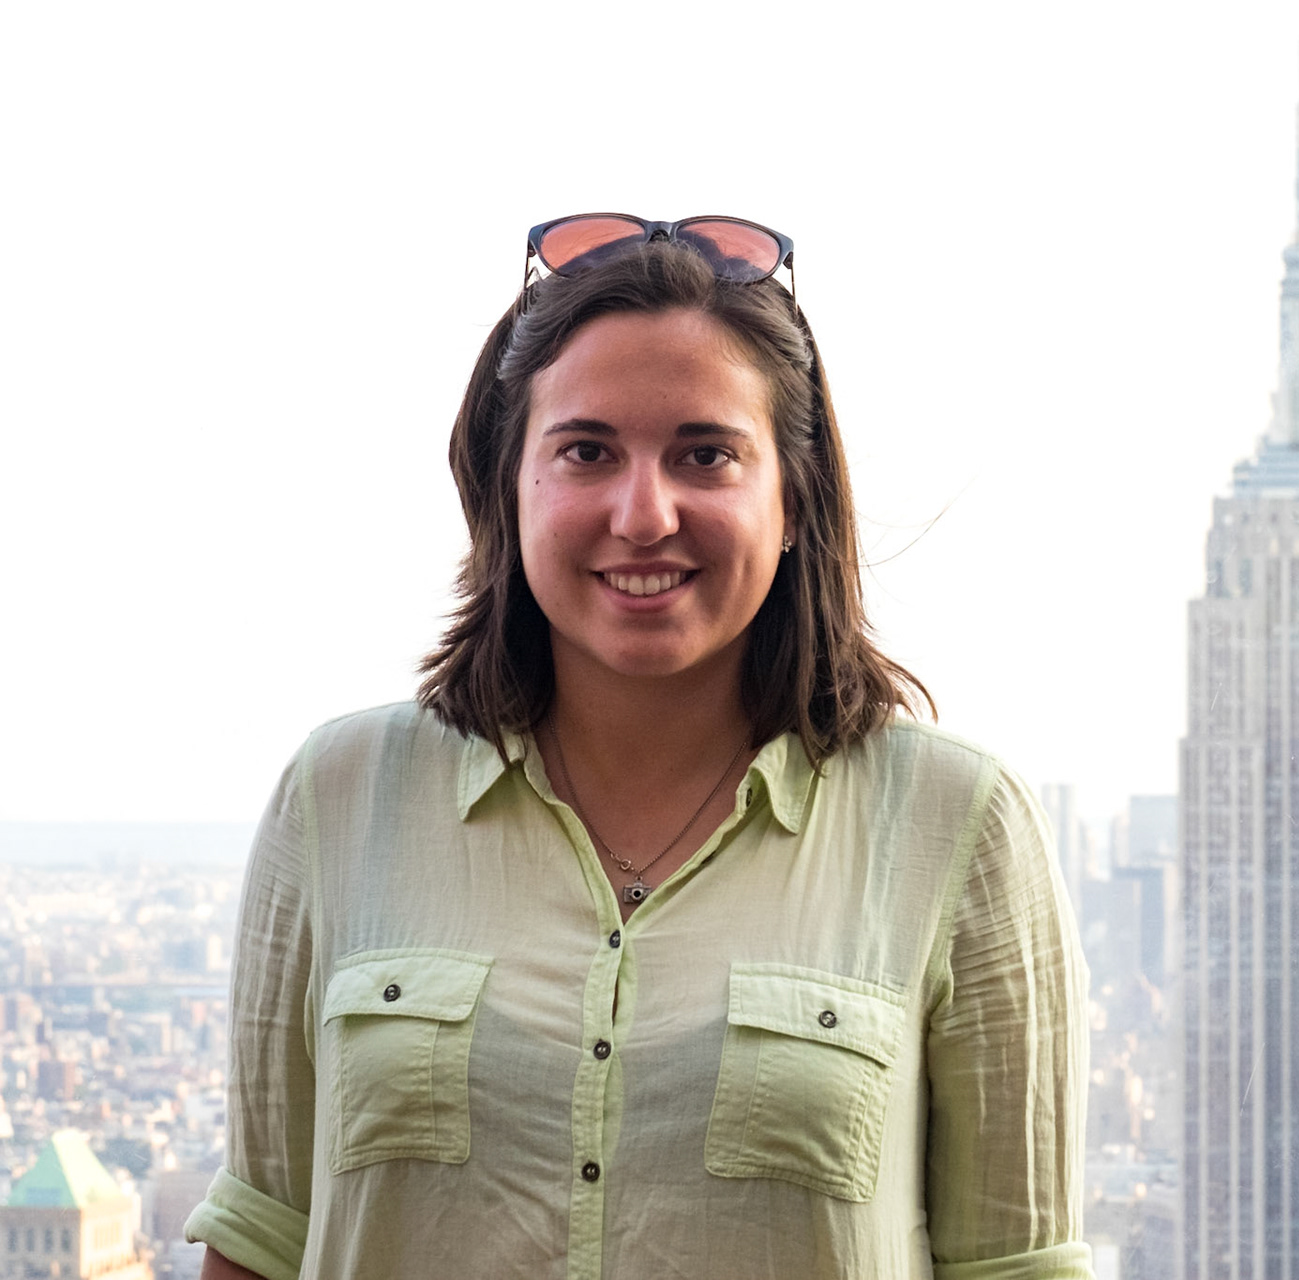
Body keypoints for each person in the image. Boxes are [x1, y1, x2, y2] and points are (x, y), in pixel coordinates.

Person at [186, 215, 1092, 1279]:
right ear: (508, 486)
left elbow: (1019, 1264)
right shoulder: (341, 796)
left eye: (706, 454)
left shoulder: (957, 823)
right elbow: (261, 1238)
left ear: (792, 497)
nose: (644, 512)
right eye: (587, 451)